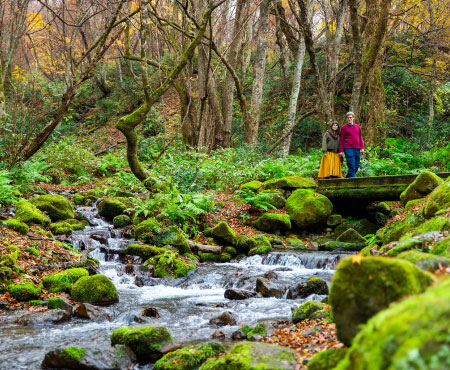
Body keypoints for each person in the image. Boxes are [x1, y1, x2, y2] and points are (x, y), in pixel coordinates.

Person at [339, 111, 364, 178]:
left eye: (351, 117)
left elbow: (360, 137)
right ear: (346, 119)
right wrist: (341, 150)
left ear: (353, 118)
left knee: (356, 166)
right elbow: (341, 139)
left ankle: (347, 179)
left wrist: (362, 147)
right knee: (351, 166)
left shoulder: (357, 127)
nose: (349, 119)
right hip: (348, 148)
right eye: (348, 118)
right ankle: (355, 183)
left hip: (357, 148)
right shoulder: (344, 128)